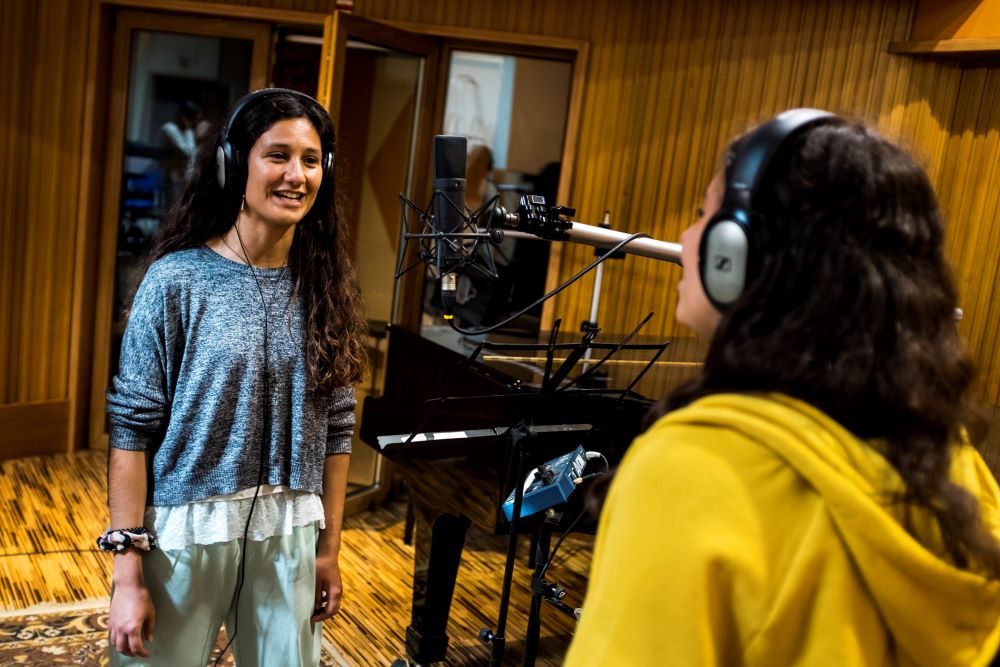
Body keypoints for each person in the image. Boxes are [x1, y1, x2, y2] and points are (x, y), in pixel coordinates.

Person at [564, 109, 1000, 666]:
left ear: (736, 254)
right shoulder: (954, 465)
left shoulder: (696, 470)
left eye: (703, 215)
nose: (685, 236)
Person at [102, 88, 368, 666]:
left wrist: (328, 548)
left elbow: (338, 430)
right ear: (233, 163)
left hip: (291, 529)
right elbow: (130, 429)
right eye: (277, 155)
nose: (296, 175)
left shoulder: (326, 288)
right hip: (184, 532)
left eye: (311, 159)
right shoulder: (177, 281)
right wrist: (128, 576)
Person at [159, 100, 201, 207]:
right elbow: (186, 151)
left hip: (186, 179)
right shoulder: (169, 128)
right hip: (174, 178)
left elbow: (192, 154)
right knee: (172, 210)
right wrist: (187, 128)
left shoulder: (189, 131)